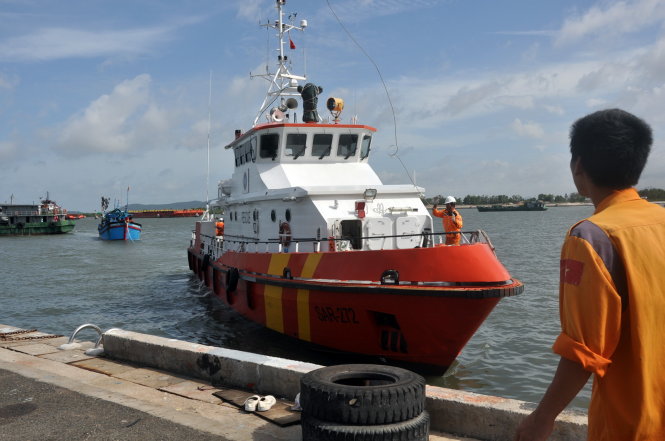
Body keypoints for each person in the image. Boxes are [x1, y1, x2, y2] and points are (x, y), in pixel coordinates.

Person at [515, 109, 665, 441]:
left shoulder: (592, 237)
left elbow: (583, 351)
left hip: (632, 425)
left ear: (578, 164)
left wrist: (541, 418)